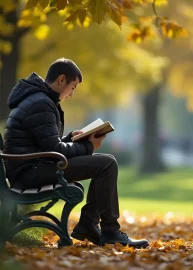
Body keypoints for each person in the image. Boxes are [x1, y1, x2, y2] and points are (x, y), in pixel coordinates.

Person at [3, 58, 149, 248]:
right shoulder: (41, 103)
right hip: (30, 172)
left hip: (32, 167)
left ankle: (91, 225)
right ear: (62, 80)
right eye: (73, 87)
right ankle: (106, 230)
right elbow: (52, 150)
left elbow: (46, 146)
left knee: (106, 163)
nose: (71, 94)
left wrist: (71, 138)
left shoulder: (39, 99)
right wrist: (88, 146)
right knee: (106, 164)